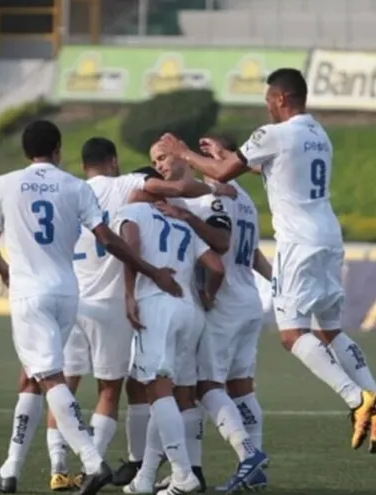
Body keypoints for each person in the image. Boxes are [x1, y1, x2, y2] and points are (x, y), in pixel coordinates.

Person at [157, 68, 376, 454]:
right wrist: (224, 156)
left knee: (292, 335)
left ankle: (359, 400)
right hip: (328, 235)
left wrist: (182, 151)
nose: (266, 106)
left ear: (282, 98)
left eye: (269, 99)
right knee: (331, 329)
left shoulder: (274, 134)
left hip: (297, 242)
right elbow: (266, 166)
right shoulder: (318, 133)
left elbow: (223, 173)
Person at [0, 120, 182, 495]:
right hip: (67, 293)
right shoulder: (74, 186)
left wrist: (5, 270)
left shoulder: (3, 183)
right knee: (39, 378)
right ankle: (10, 469)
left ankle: (91, 461)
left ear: (27, 152)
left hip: (30, 294)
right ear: (57, 151)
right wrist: (151, 269)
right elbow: (108, 238)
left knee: (49, 378)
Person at [150, 136, 270, 493]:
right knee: (241, 387)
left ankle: (249, 455)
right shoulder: (244, 198)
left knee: (206, 386)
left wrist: (186, 215)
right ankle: (255, 467)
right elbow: (252, 253)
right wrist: (277, 281)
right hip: (249, 300)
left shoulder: (215, 193)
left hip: (225, 302)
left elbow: (221, 241)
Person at [117, 199, 226, 495]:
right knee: (168, 394)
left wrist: (129, 294)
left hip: (157, 305)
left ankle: (183, 474)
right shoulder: (181, 223)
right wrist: (207, 295)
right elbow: (216, 268)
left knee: (157, 389)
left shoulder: (134, 210)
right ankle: (146, 478)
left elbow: (131, 248)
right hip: (190, 311)